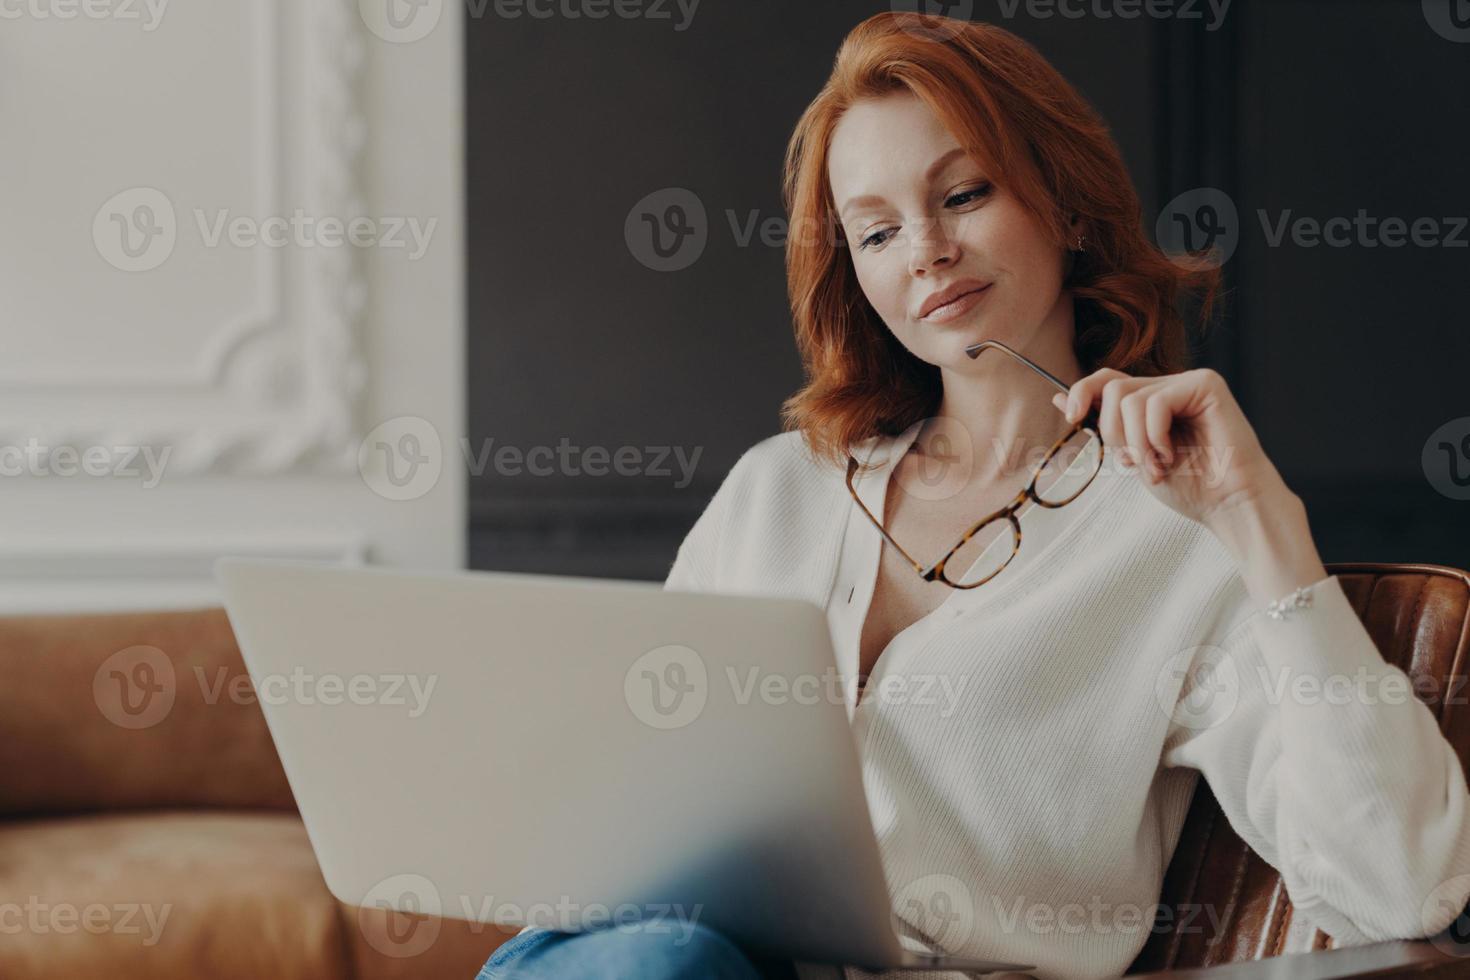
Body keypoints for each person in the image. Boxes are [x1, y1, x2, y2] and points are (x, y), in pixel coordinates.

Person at [478, 11, 1470, 979]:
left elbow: (1402, 888)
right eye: (875, 232)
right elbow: (629, 795)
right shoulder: (775, 492)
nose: (925, 251)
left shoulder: (1176, 535)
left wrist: (1263, 522)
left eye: (962, 195)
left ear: (1067, 203)